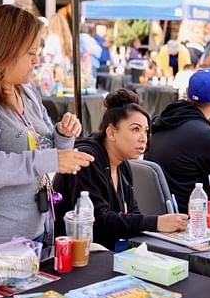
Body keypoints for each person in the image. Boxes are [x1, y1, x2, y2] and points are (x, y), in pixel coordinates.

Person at [0, 4, 95, 264]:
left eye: (37, 51)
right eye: (30, 53)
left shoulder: (26, 89)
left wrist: (62, 136)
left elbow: (40, 145)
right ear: (5, 50)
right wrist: (53, 159)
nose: (37, 60)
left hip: (34, 241)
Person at [53, 89, 189, 250]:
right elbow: (97, 221)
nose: (143, 138)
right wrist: (157, 222)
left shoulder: (122, 165)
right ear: (111, 133)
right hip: (74, 253)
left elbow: (132, 214)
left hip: (109, 250)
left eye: (146, 131)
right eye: (135, 129)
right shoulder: (87, 159)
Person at [143, 68, 210, 214]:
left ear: (187, 92)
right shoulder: (206, 136)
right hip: (189, 221)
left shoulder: (162, 121)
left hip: (155, 216)